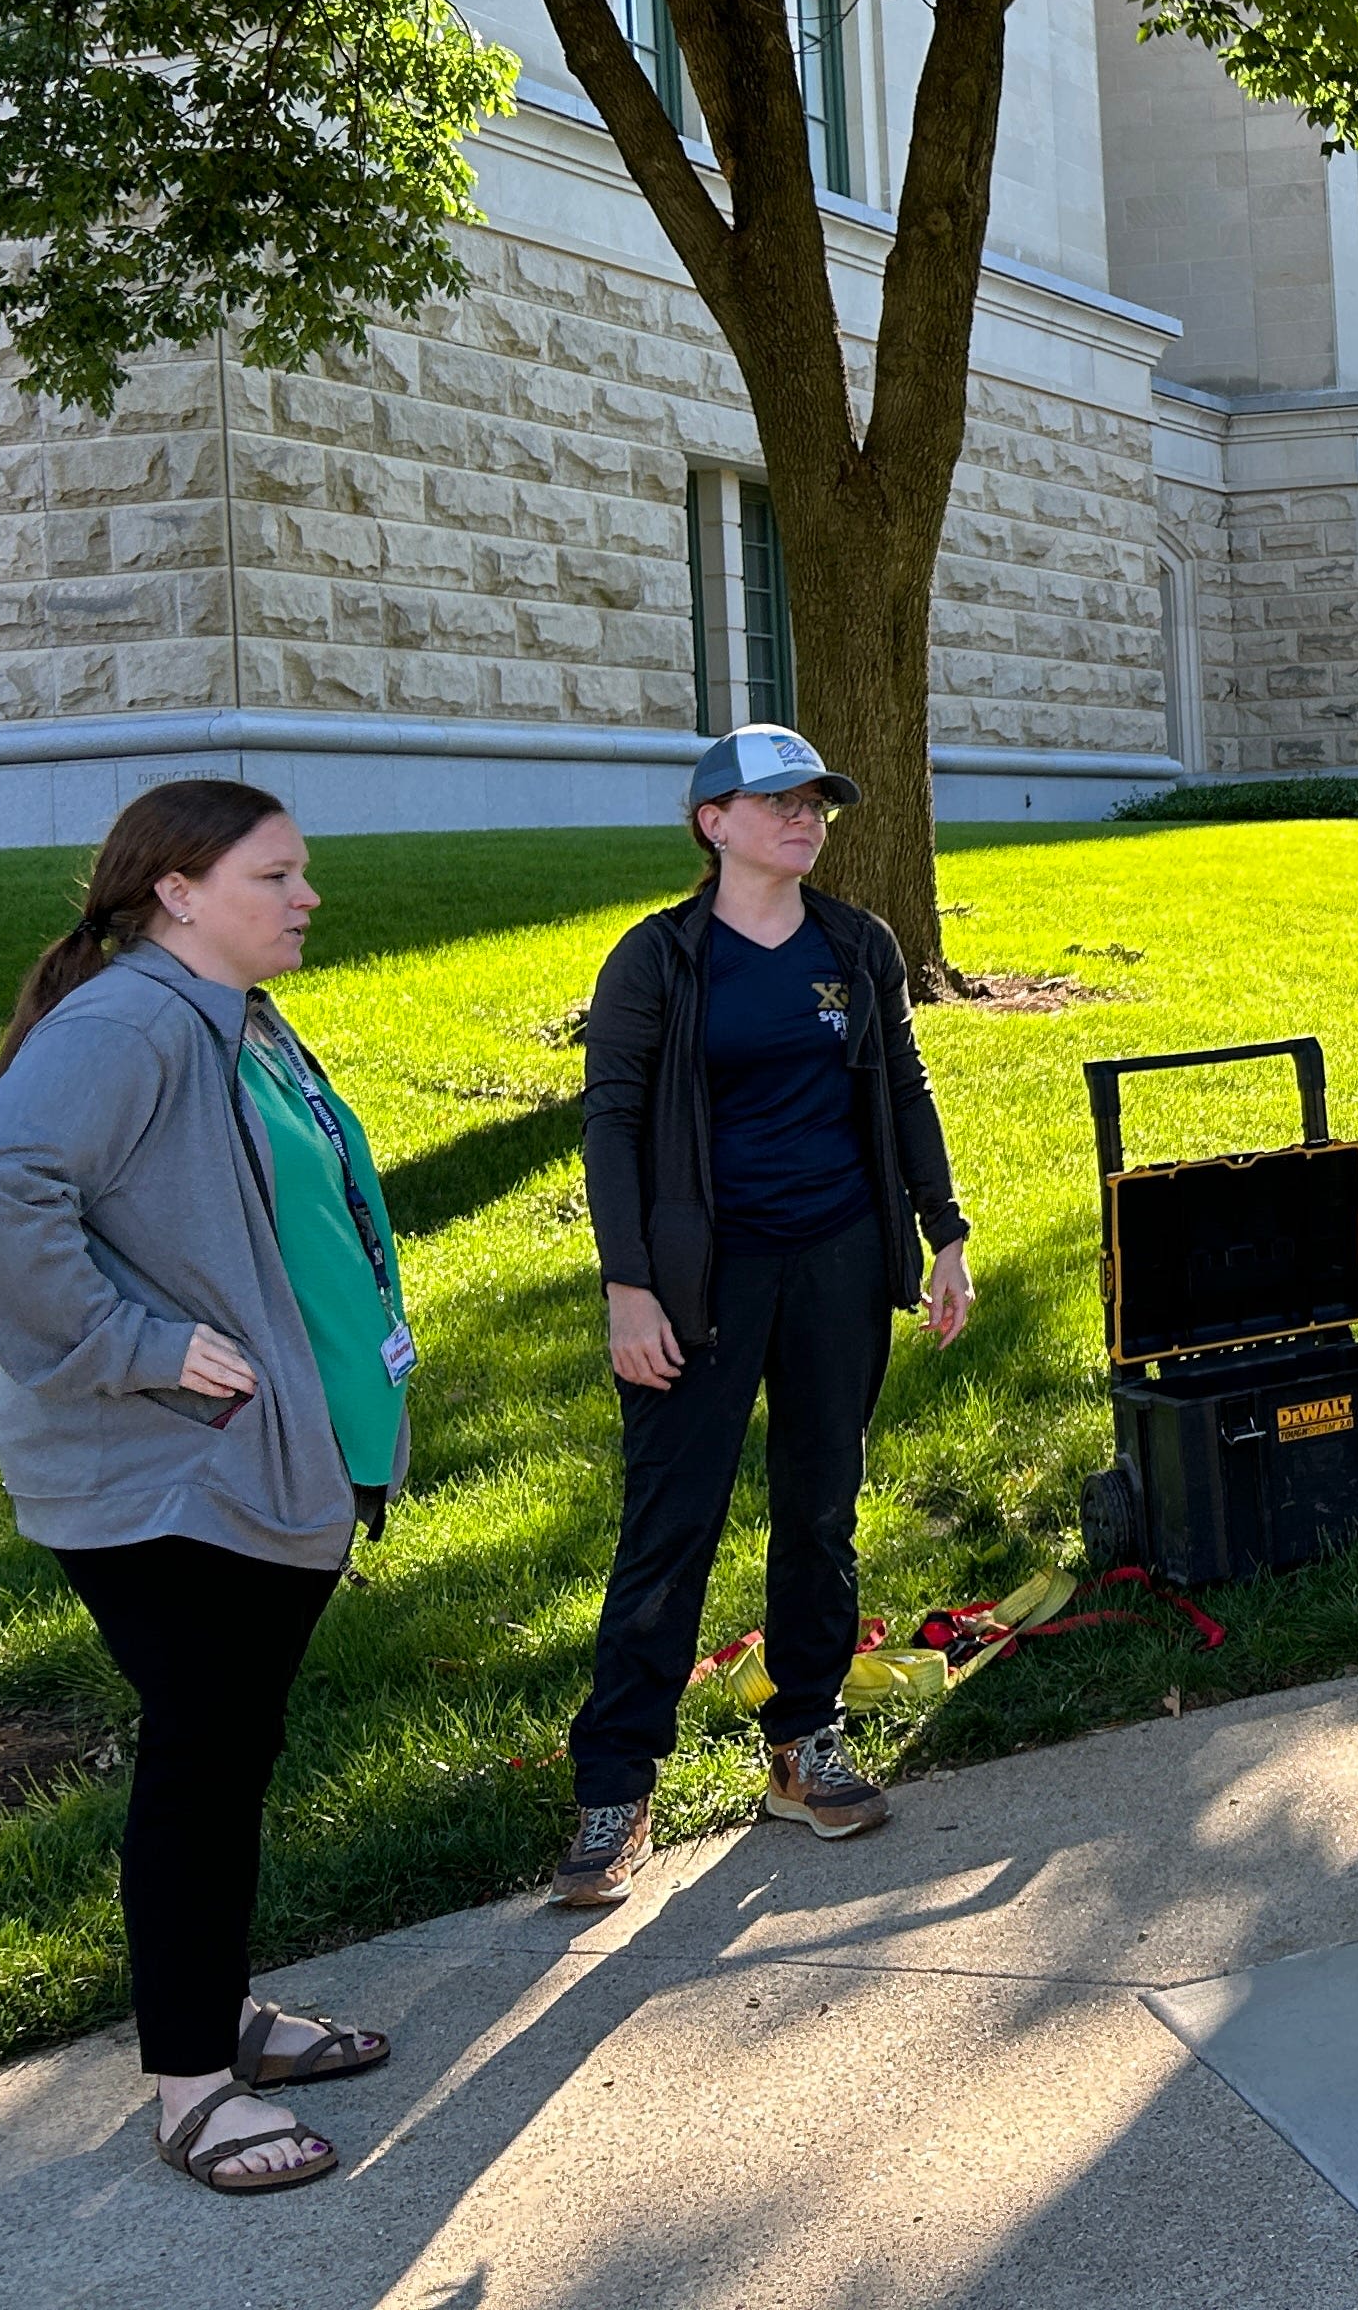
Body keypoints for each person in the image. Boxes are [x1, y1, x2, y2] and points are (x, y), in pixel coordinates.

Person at [0, 782, 414, 2193]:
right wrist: (133, 1347)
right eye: (277, 874)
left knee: (231, 1755)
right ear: (179, 891)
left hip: (255, 1462)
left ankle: (214, 2015)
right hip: (168, 1480)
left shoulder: (237, 1019)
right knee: (203, 1769)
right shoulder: (132, 1024)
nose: (306, 896)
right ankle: (193, 2090)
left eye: (303, 869)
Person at [552, 724, 974, 1907]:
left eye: (817, 802)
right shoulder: (660, 959)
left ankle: (803, 1739)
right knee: (669, 1525)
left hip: (839, 1260)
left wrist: (944, 1233)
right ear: (713, 823)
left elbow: (903, 1084)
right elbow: (613, 1125)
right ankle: (614, 1789)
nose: (805, 818)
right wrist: (629, 1286)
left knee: (820, 1505)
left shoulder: (858, 943)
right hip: (702, 1281)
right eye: (777, 800)